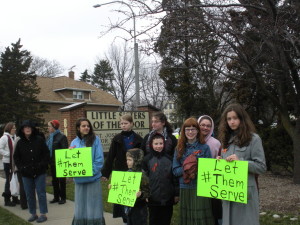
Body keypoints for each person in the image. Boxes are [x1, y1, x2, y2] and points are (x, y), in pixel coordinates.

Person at [218, 103, 266, 225]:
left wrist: (241, 163)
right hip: (228, 193)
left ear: (242, 119)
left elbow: (261, 167)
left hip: (245, 194)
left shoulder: (253, 139)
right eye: (229, 119)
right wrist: (219, 163)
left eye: (235, 118)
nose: (232, 122)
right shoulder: (225, 140)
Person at [102, 114, 143, 224]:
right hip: (120, 173)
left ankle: (133, 220)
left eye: (126, 123)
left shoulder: (138, 139)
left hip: (134, 173)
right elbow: (110, 156)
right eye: (121, 123)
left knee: (134, 199)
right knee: (122, 200)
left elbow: (143, 157)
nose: (123, 125)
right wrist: (105, 173)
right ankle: (125, 221)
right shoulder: (117, 139)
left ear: (131, 124)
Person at [173, 117, 214, 225]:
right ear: (183, 131)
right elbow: (175, 170)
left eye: (193, 129)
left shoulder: (204, 148)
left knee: (200, 219)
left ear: (197, 131)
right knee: (188, 220)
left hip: (200, 188)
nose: (190, 132)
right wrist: (186, 169)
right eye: (187, 129)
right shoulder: (179, 148)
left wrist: (196, 170)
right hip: (185, 188)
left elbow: (209, 170)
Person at [70, 118, 105, 225]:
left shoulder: (95, 140)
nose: (86, 128)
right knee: (80, 205)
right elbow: (71, 161)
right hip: (79, 181)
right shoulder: (74, 142)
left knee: (93, 205)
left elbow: (99, 160)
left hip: (92, 179)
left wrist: (89, 171)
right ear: (78, 128)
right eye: (83, 126)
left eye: (88, 126)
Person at [14, 120, 50, 223]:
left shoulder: (39, 140)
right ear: (22, 130)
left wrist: (42, 164)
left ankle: (43, 214)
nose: (27, 129)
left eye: (29, 127)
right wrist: (22, 168)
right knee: (29, 194)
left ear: (32, 129)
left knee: (41, 193)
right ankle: (33, 213)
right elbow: (16, 157)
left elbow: (46, 154)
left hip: (40, 172)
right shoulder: (20, 142)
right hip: (26, 173)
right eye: (25, 127)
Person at [142, 133, 179, 225]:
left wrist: (176, 194)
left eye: (161, 143)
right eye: (156, 144)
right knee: (154, 220)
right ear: (151, 144)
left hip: (168, 198)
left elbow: (174, 178)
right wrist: (145, 194)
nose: (159, 146)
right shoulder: (147, 160)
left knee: (166, 220)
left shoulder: (169, 159)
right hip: (153, 198)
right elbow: (144, 179)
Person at [198, 115, 222, 224]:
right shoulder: (192, 141)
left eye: (208, 126)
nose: (205, 128)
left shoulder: (216, 143)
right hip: (195, 182)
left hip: (211, 183)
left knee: (213, 212)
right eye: (202, 125)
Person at [125, 148, 149, 225]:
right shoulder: (127, 173)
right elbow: (123, 187)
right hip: (129, 207)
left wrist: (141, 194)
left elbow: (148, 191)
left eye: (130, 160)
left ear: (137, 161)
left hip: (139, 208)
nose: (127, 162)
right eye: (127, 160)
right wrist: (113, 188)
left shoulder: (142, 175)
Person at [46, 120, 68, 204]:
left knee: (62, 180)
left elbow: (64, 149)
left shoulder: (62, 137)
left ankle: (63, 197)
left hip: (60, 162)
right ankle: (56, 197)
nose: (48, 128)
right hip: (52, 162)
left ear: (54, 127)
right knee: (54, 180)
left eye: (49, 126)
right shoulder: (49, 137)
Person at [0, 122, 17, 207]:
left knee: (14, 179)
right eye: (13, 128)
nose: (15, 129)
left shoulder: (13, 137)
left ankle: (15, 197)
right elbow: (0, 149)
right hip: (7, 162)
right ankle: (7, 199)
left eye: (15, 128)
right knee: (9, 180)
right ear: (9, 128)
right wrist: (9, 154)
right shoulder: (4, 138)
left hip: (13, 162)